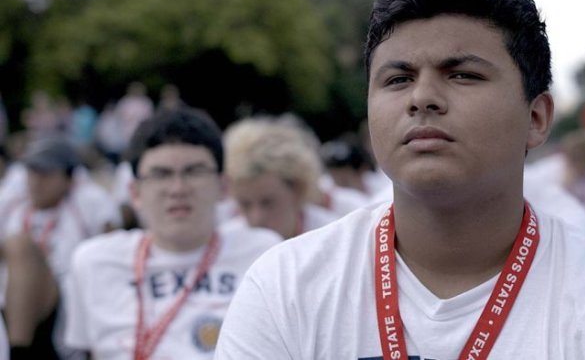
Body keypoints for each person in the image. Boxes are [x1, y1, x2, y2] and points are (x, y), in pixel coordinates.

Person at [215, 0, 585, 358]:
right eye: (398, 79)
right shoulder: (284, 288)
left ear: (536, 117)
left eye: (462, 75)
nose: (422, 97)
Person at [64, 107, 281, 359]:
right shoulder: (94, 262)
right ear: (134, 193)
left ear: (223, 186)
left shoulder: (263, 255)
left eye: (194, 171)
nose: (178, 188)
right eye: (161, 174)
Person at [0, 136, 118, 359]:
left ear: (69, 178)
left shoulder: (86, 201)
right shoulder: (13, 204)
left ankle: (18, 352)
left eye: (45, 174)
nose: (36, 181)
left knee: (19, 245)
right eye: (32, 172)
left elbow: (112, 245)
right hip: (8, 299)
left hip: (61, 302)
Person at [222, 116, 342, 238]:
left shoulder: (333, 236)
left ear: (298, 190)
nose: (257, 218)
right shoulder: (228, 244)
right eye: (245, 204)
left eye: (267, 202)